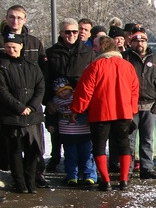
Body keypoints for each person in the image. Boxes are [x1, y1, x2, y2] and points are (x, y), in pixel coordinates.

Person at [70, 35, 140, 191]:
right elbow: (135, 91)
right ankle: (123, 179)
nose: (93, 48)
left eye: (95, 45)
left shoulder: (95, 66)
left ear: (102, 47)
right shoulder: (127, 66)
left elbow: (85, 91)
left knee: (99, 147)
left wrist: (77, 109)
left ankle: (105, 180)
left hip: (100, 113)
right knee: (124, 145)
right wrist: (132, 109)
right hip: (123, 112)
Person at [44, 18, 94, 173]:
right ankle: (56, 159)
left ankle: (83, 168)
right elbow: (46, 79)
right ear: (61, 33)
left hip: (81, 100)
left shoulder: (88, 52)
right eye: (67, 32)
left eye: (74, 31)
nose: (71, 35)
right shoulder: (51, 53)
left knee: (83, 138)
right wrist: (48, 101)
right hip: (58, 100)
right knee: (57, 133)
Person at [123, 28, 156, 178]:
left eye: (142, 40)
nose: (140, 44)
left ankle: (147, 168)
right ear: (130, 43)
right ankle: (128, 169)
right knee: (129, 140)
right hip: (130, 106)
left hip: (150, 105)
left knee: (147, 139)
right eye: (136, 41)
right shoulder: (125, 58)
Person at [0, 35, 45, 193]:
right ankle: (20, 183)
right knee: (15, 150)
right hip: (12, 116)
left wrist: (32, 106)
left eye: (14, 47)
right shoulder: (2, 66)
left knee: (33, 150)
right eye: (8, 47)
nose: (11, 50)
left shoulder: (32, 65)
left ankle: (31, 181)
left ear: (21, 47)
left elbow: (40, 87)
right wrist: (19, 107)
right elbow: (2, 91)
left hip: (32, 116)